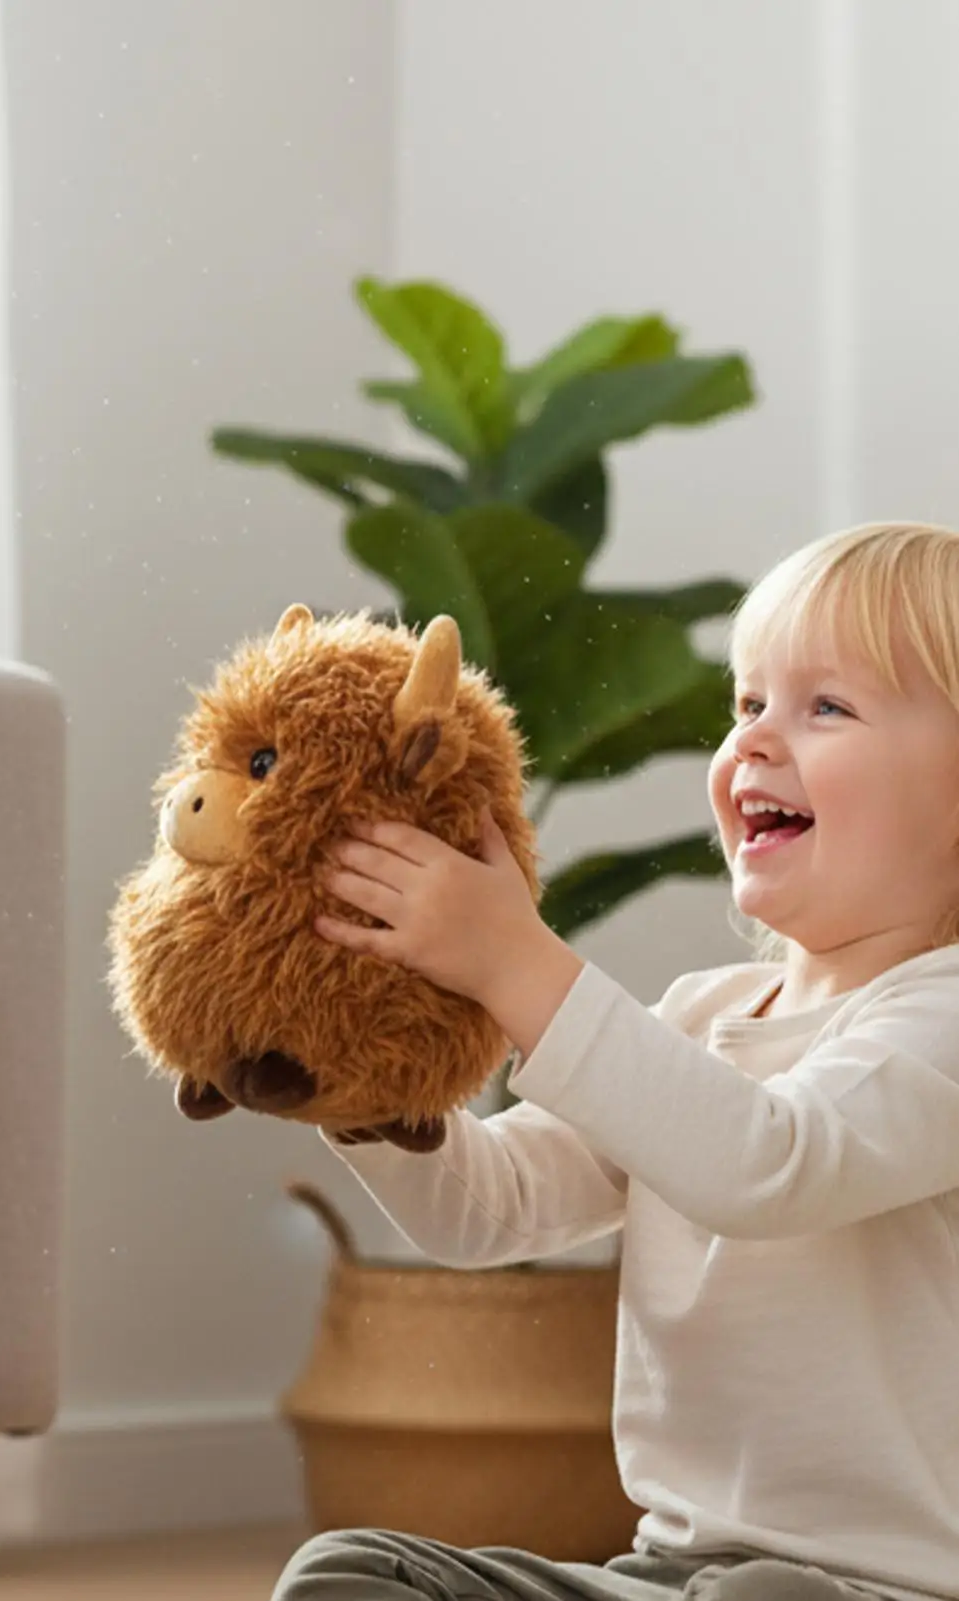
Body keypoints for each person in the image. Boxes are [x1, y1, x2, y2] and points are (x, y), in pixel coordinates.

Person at [277, 520, 959, 1601]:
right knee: (353, 1569)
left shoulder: (943, 1023)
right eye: (745, 705)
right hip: (666, 1572)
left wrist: (513, 958)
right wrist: (347, 1078)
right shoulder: (700, 1016)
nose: (753, 743)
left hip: (887, 1587)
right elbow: (487, 1209)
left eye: (825, 705)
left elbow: (765, 1165)